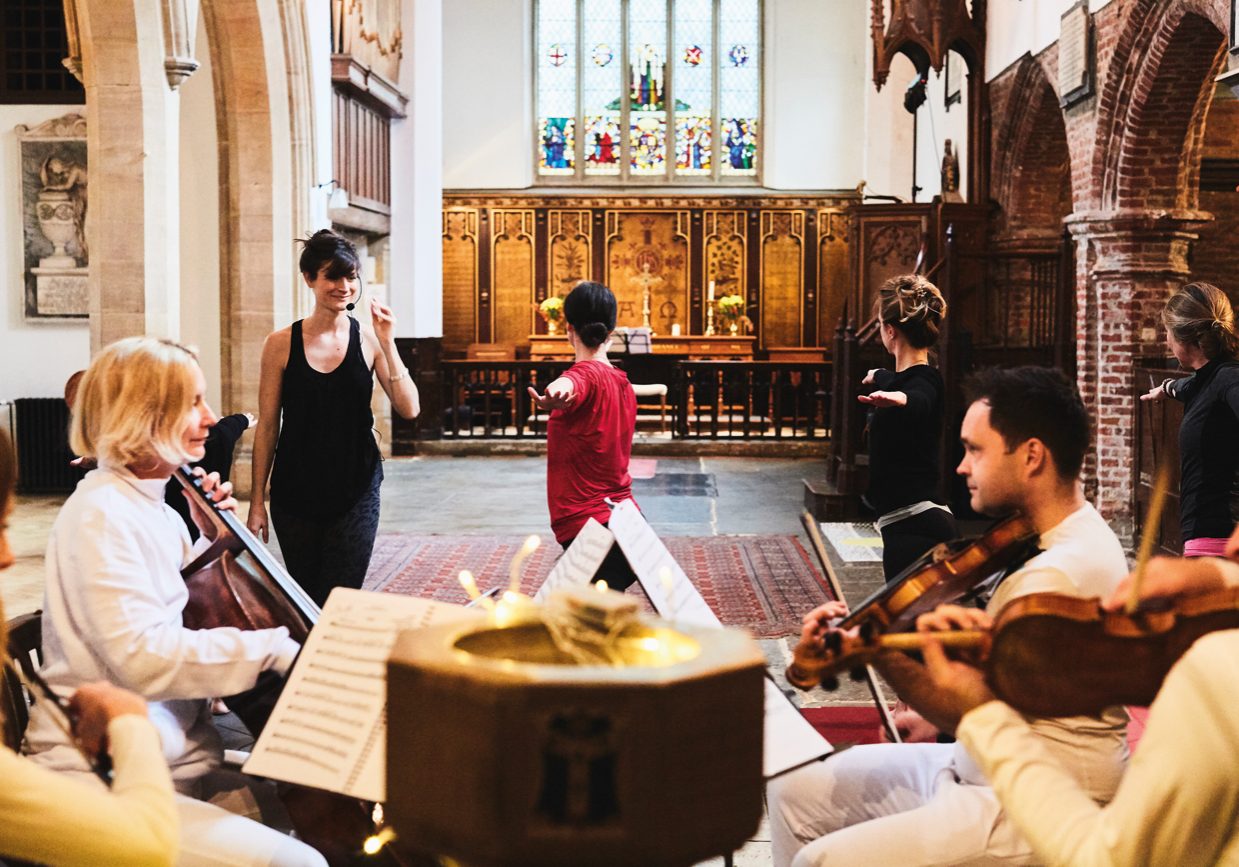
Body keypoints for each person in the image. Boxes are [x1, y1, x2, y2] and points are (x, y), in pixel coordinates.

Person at [768, 366, 1130, 867]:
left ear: (1031, 456)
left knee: (823, 860)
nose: (961, 467)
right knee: (795, 790)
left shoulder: (1056, 576)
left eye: (975, 449)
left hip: (1040, 795)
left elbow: (969, 709)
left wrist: (877, 649)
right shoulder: (1052, 535)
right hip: (984, 762)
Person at [24, 337, 325, 866]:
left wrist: (214, 534)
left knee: (316, 818)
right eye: (193, 402)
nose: (211, 418)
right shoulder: (101, 514)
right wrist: (275, 649)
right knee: (300, 861)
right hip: (100, 778)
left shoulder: (155, 510)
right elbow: (140, 655)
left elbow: (194, 601)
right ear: (141, 415)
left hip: (175, 757)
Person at [921, 521, 1239, 866]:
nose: (1233, 544)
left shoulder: (1218, 664)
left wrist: (983, 715)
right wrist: (1223, 576)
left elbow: (1105, 860)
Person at [0, 427, 180, 866]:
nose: (9, 555)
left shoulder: (155, 510)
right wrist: (129, 719)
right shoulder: (100, 512)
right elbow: (147, 848)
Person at [248, 230, 419, 607]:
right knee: (305, 596)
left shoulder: (370, 340)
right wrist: (257, 501)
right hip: (296, 490)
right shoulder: (279, 344)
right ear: (309, 279)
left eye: (351, 276)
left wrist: (389, 342)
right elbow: (267, 425)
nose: (344, 286)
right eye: (332, 276)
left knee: (340, 597)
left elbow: (410, 409)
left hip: (356, 486)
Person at [527, 281, 641, 590]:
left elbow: (570, 384)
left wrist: (553, 393)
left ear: (568, 327)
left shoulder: (581, 375)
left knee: (576, 627)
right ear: (611, 329)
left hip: (589, 526)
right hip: (625, 520)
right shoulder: (623, 383)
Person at [859, 274, 957, 581]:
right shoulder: (901, 377)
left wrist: (902, 400)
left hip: (916, 528)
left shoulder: (925, 381)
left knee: (911, 627)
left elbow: (920, 399)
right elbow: (897, 380)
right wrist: (879, 375)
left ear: (889, 331)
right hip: (907, 524)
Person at [1140, 282, 1239, 557]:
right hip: (1206, 539)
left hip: (1222, 542)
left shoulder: (1229, 379)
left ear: (1186, 338)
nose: (1167, 341)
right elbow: (1191, 386)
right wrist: (1166, 389)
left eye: (1168, 333)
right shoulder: (1209, 378)